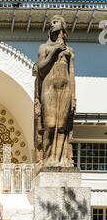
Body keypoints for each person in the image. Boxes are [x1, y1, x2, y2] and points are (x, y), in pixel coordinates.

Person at [34, 15, 76, 168]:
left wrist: (74, 97)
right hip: (49, 88)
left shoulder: (70, 51)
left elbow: (71, 75)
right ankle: (46, 159)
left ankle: (60, 160)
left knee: (63, 126)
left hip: (65, 90)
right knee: (50, 125)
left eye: (55, 21)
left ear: (62, 26)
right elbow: (41, 68)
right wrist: (54, 52)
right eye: (50, 23)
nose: (52, 24)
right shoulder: (44, 48)